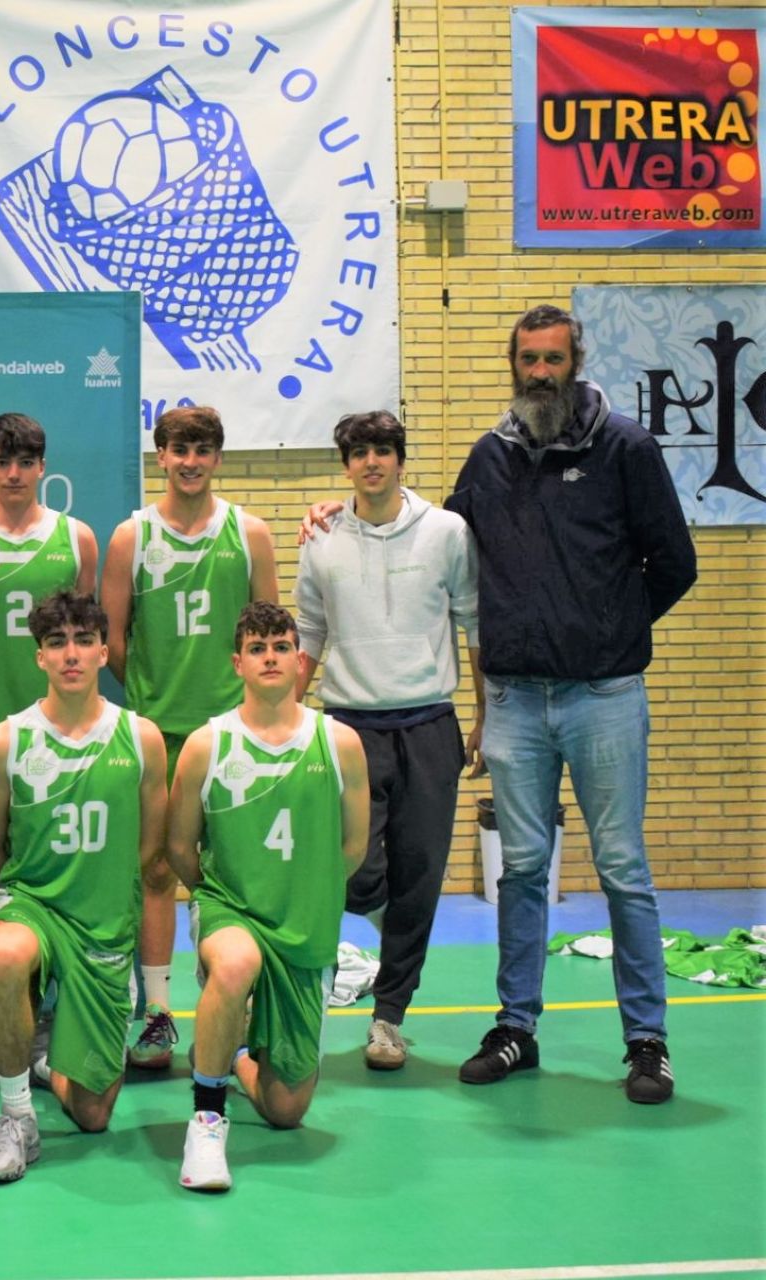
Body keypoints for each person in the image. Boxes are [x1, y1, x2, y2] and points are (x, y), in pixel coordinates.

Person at [442, 304, 692, 1102]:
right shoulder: (489, 457)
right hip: (516, 703)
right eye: (530, 359)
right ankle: (516, 1028)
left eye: (554, 358)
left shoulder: (626, 448)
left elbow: (675, 562)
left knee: (623, 870)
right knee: (521, 871)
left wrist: (611, 630)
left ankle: (647, 1042)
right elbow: (441, 547)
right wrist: (337, 516)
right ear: (513, 365)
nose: (541, 372)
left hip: (604, 698)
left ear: (576, 362)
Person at [295, 410, 482, 1070]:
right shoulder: (322, 538)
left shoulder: (447, 532)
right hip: (347, 727)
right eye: (358, 453)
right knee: (351, 869)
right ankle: (385, 933)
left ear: (401, 459)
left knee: (421, 876)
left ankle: (389, 1017)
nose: (370, 462)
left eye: (382, 450)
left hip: (429, 724)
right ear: (345, 465)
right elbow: (308, 632)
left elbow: (475, 624)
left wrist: (485, 716)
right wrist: (282, 718)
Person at [164, 602, 369, 1192]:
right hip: (230, 909)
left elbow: (353, 847)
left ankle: (229, 1050)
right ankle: (207, 1120)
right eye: (257, 648)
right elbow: (180, 847)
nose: (270, 657)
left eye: (281, 647)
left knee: (286, 1110)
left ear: (300, 661)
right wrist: (217, 900)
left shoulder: (339, 742)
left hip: (303, 926)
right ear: (238, 663)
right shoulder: (207, 744)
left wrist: (304, 894)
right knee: (235, 963)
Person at [100, 405, 278, 1073]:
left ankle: (239, 1009)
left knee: (239, 875)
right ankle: (157, 1013)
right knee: (154, 871)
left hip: (235, 737)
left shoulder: (250, 533)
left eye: (202, 449)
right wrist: (153, 699)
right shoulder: (131, 536)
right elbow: (113, 641)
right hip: (159, 735)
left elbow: (268, 633)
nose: (191, 461)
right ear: (162, 457)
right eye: (180, 449)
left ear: (218, 458)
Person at [0, 592, 165, 1182]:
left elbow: (148, 847)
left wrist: (99, 887)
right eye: (57, 643)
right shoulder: (4, 742)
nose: (71, 654)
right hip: (32, 905)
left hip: (102, 924)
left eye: (84, 641)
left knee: (92, 1114)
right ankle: (16, 1117)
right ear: (40, 657)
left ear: (104, 652)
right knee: (7, 955)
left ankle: (48, 1057)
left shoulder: (141, 738)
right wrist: (33, 890)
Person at [0, 413, 99, 1069]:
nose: (14, 473)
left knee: (60, 867)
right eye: (2, 461)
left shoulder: (75, 539)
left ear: (42, 467)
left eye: (26, 461)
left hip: (62, 738)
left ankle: (59, 1005)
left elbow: (83, 637)